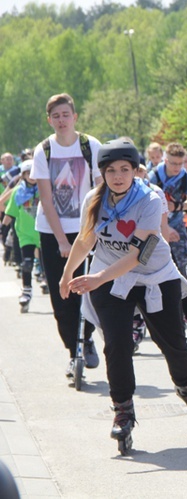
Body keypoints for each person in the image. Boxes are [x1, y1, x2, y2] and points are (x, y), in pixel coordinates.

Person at [59, 138, 187, 452]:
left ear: (135, 170)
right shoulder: (94, 198)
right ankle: (123, 410)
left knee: (171, 340)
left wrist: (97, 277)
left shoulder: (150, 198)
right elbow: (85, 241)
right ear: (102, 173)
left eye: (125, 169)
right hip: (110, 278)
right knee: (117, 345)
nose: (118, 176)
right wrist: (68, 274)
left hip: (153, 275)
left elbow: (138, 255)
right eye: (111, 170)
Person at [31, 93, 101, 377]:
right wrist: (61, 240)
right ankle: (74, 352)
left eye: (65, 115)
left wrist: (92, 229)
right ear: (50, 120)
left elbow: (100, 190)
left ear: (75, 117)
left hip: (86, 228)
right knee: (63, 296)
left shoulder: (90, 145)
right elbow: (47, 200)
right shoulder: (44, 150)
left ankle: (87, 338)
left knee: (91, 289)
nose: (61, 120)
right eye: (55, 116)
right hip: (53, 231)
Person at [148, 142, 187, 339]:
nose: (176, 167)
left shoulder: (185, 177)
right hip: (154, 227)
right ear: (165, 160)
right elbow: (145, 201)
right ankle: (139, 323)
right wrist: (164, 225)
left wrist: (176, 207)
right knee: (147, 270)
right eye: (173, 163)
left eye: (180, 163)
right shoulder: (154, 176)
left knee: (180, 271)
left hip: (176, 227)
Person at [2, 160, 40, 311]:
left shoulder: (44, 190)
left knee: (47, 264)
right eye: (27, 173)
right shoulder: (18, 192)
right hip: (25, 234)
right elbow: (10, 213)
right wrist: (2, 228)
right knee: (27, 263)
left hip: (44, 232)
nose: (31, 176)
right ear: (23, 175)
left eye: (34, 173)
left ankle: (48, 282)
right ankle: (26, 290)